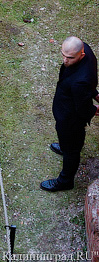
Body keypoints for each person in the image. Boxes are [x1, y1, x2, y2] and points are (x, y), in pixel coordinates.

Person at [43, 37, 99, 191]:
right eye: (63, 55)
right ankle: (65, 146)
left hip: (70, 120)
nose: (65, 61)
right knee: (67, 142)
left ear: (81, 55)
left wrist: (94, 109)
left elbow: (83, 109)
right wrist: (94, 93)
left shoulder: (80, 82)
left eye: (70, 58)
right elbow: (91, 81)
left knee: (71, 151)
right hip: (65, 109)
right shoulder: (85, 50)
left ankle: (65, 181)